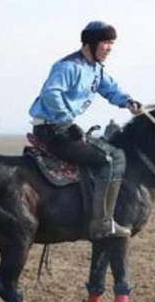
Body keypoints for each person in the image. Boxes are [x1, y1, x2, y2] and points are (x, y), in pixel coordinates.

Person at [29, 21, 143, 239]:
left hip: (64, 128)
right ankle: (101, 223)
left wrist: (128, 101)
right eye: (106, 43)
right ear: (90, 43)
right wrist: (67, 122)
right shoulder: (67, 67)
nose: (109, 48)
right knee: (112, 159)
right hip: (53, 129)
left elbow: (110, 88)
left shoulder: (96, 69)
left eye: (112, 43)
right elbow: (51, 94)